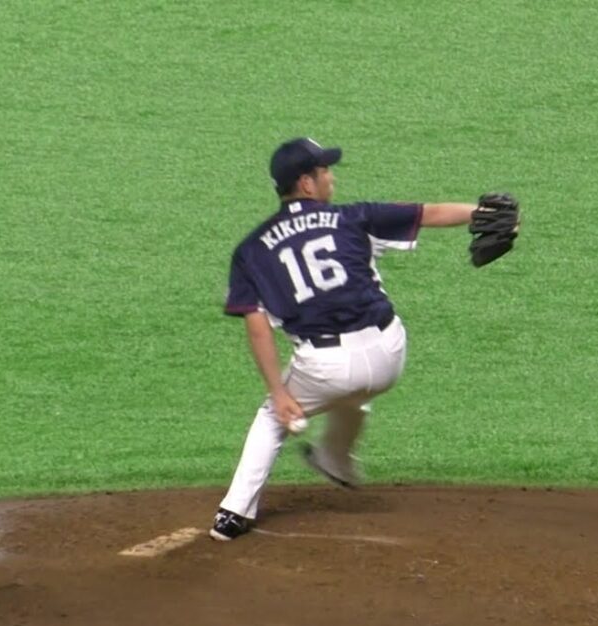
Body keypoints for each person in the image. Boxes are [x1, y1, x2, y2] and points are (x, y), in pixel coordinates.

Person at [210, 137, 497, 541]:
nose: (331, 176)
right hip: (389, 356)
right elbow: (429, 213)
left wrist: (278, 392)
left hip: (323, 368)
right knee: (353, 394)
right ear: (307, 184)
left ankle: (233, 513)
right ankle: (334, 459)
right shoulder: (352, 219)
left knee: (274, 417)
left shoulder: (251, 251)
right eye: (324, 170)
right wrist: (481, 212)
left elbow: (255, 323)